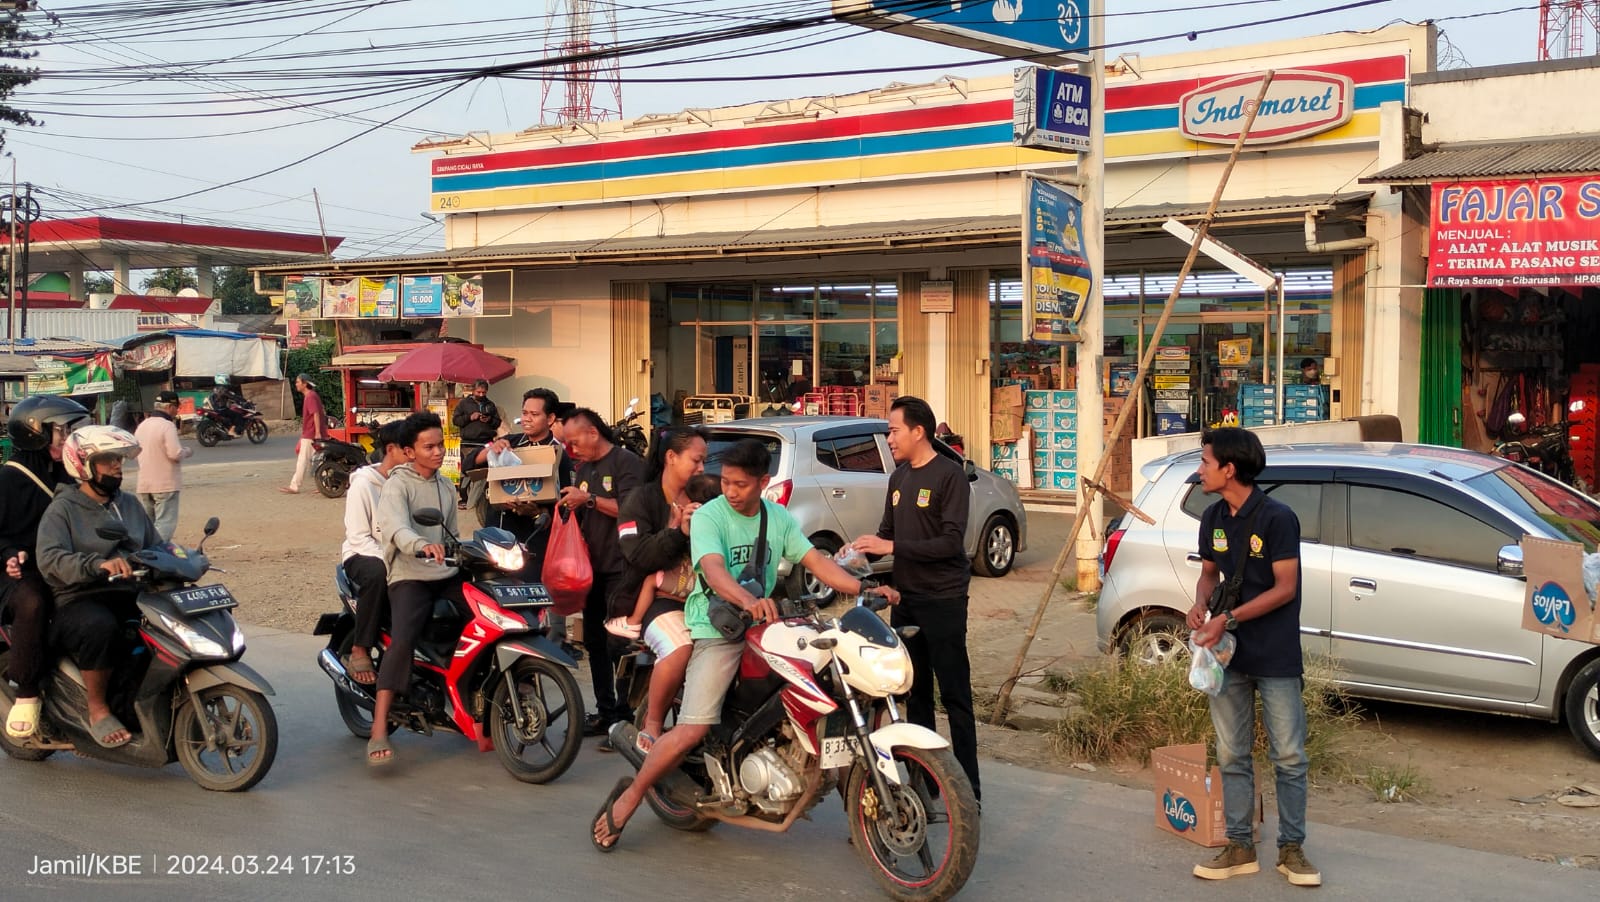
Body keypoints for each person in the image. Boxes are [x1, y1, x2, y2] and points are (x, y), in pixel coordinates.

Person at [592, 438, 896, 852]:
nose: (731, 491)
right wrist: (748, 600)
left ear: (763, 482)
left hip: (766, 622)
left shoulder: (778, 517)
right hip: (717, 626)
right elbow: (714, 570)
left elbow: (817, 562)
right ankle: (630, 798)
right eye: (727, 482)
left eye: (741, 484)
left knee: (827, 680)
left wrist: (865, 588)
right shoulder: (708, 517)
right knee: (693, 727)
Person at [1185, 426, 1318, 887]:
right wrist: (1201, 603)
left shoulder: (1278, 518)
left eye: (1205, 462)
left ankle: (1292, 849)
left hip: (1275, 654)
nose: (1199, 470)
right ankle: (1239, 845)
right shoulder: (1213, 517)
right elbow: (1208, 573)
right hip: (1228, 657)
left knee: (1289, 755)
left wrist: (1230, 618)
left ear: (1229, 468)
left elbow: (1286, 588)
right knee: (1231, 754)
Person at [851, 395, 980, 803]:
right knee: (914, 693)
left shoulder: (949, 476)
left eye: (893, 430)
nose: (888, 438)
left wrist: (889, 543)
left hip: (943, 600)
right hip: (905, 600)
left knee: (956, 696)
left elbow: (949, 542)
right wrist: (858, 553)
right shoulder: (899, 478)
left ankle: (969, 792)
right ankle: (925, 785)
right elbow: (887, 534)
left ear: (918, 431)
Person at [36, 425, 161, 749]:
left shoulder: (130, 505)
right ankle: (97, 708)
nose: (117, 466)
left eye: (119, 459)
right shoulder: (62, 509)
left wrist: (184, 558)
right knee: (101, 628)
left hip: (128, 592)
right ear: (84, 465)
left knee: (160, 631)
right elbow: (49, 558)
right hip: (78, 599)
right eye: (108, 460)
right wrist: (96, 564)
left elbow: (156, 544)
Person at [607, 431, 715, 754]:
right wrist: (678, 532)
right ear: (671, 457)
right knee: (680, 647)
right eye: (696, 460)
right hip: (659, 600)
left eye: (705, 461)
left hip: (706, 599)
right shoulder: (641, 500)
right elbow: (638, 554)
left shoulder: (709, 499)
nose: (701, 467)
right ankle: (653, 722)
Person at [367, 412, 465, 766]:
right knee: (404, 637)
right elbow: (394, 527)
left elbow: (452, 533)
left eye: (441, 444)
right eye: (430, 446)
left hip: (444, 572)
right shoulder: (398, 484)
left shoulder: (446, 485)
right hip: (409, 573)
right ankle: (379, 726)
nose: (439, 451)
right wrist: (421, 544)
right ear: (409, 452)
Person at [1, 395, 90, 740]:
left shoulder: (67, 475)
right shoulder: (9, 479)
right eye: (60, 431)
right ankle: (27, 692)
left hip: (62, 563)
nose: (67, 438)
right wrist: (10, 553)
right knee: (32, 602)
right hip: (19, 572)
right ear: (36, 433)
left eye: (68, 430)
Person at [558, 407, 646, 744]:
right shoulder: (583, 469)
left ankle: (625, 720)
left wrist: (590, 499)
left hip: (623, 568)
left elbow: (633, 510)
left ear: (593, 432)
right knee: (594, 643)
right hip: (591, 570)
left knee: (619, 645)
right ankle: (606, 712)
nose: (572, 449)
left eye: (575, 441)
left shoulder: (627, 464)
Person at [479, 387, 579, 656]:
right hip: (497, 537)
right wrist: (492, 448)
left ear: (550, 419)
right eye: (524, 413)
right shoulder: (510, 443)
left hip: (533, 544)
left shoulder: (559, 455)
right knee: (494, 605)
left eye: (535, 414)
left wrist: (538, 511)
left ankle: (528, 666)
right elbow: (470, 465)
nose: (527, 418)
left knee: (527, 608)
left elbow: (565, 504)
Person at [339, 421, 408, 686]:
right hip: (363, 555)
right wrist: (392, 559)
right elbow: (358, 537)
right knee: (378, 575)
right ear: (392, 450)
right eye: (409, 450)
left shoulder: (414, 482)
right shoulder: (363, 485)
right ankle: (360, 647)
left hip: (406, 554)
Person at [132, 390, 193, 543]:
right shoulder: (167, 426)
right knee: (165, 523)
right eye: (176, 407)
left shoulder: (142, 426)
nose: (177, 411)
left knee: (149, 525)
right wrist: (187, 451)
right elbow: (174, 453)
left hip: (145, 484)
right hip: (165, 484)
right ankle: (158, 553)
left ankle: (147, 553)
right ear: (169, 407)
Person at [452, 379, 502, 510]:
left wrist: (489, 419)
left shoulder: (490, 405)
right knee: (467, 471)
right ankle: (464, 499)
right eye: (478, 392)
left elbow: (498, 422)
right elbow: (455, 420)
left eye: (483, 392)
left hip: (486, 442)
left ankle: (484, 498)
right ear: (473, 390)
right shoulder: (463, 404)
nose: (481, 394)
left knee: (485, 471)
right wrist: (470, 417)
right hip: (468, 443)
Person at [282, 374, 330, 495]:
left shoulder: (310, 397)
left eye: (298, 382)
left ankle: (295, 486)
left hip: (311, 434)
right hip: (312, 433)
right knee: (319, 461)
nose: (296, 384)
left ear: (305, 384)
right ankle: (325, 484)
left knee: (303, 460)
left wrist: (317, 432)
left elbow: (315, 414)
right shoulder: (312, 396)